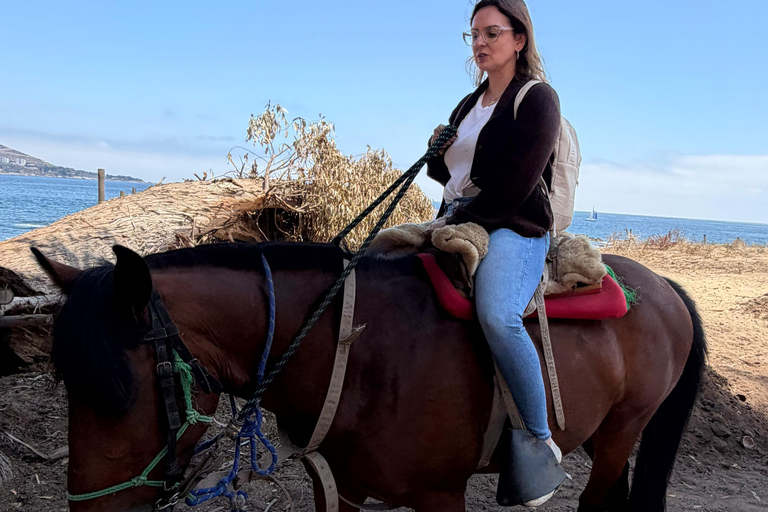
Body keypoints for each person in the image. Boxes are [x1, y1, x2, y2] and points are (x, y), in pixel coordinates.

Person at [426, 0, 563, 506]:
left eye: (492, 33)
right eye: (474, 35)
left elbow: (515, 186)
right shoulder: (467, 104)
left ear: (519, 39)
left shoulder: (538, 99)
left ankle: (537, 439)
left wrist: (457, 221)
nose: (480, 43)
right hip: (458, 216)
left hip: (515, 225)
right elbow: (448, 178)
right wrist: (437, 152)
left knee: (499, 313)